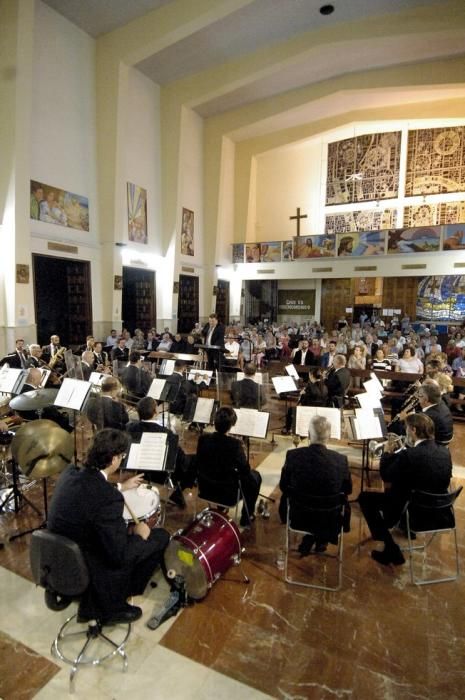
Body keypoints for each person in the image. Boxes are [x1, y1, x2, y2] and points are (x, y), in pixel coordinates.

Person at [47, 428, 170, 624]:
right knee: (159, 537)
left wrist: (120, 487)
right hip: (89, 564)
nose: (121, 459)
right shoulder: (109, 499)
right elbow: (117, 555)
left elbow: (87, 491)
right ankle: (114, 606)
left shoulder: (70, 473)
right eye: (121, 456)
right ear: (113, 459)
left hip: (57, 557)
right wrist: (140, 535)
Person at [358, 413, 452, 567]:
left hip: (414, 512)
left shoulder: (410, 455)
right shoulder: (444, 451)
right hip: (440, 511)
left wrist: (387, 453)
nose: (405, 432)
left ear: (413, 430)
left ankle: (390, 547)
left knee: (365, 498)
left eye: (406, 428)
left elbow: (386, 475)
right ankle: (392, 528)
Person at [279, 415, 352, 554]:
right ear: (329, 436)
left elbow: (283, 486)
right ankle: (320, 539)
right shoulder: (341, 460)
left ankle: (312, 537)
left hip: (299, 518)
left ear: (308, 434)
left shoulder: (293, 456)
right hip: (330, 520)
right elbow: (347, 490)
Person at [195, 406, 262, 526]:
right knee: (255, 477)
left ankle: (221, 508)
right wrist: (243, 455)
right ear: (231, 425)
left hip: (205, 489)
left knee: (219, 471)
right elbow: (245, 470)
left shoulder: (203, 439)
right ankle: (247, 517)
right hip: (228, 495)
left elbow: (200, 461)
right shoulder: (235, 445)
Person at [126, 396, 195, 505]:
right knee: (191, 462)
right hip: (160, 472)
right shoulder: (166, 432)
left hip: (139, 466)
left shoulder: (130, 428)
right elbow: (179, 457)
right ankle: (178, 490)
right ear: (155, 412)